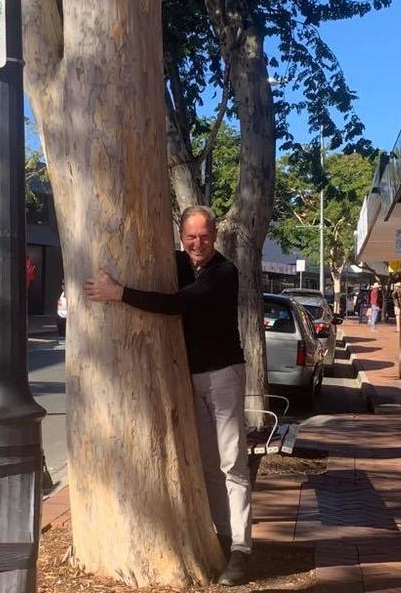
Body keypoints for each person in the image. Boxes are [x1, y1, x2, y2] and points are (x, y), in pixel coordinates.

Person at [85, 205, 250, 586]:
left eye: (204, 236)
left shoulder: (225, 273)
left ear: (214, 236)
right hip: (188, 377)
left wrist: (118, 293)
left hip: (224, 375)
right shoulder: (176, 263)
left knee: (233, 466)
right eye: (190, 237)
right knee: (208, 464)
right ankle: (221, 538)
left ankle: (241, 551)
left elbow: (177, 305)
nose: (197, 243)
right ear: (181, 237)